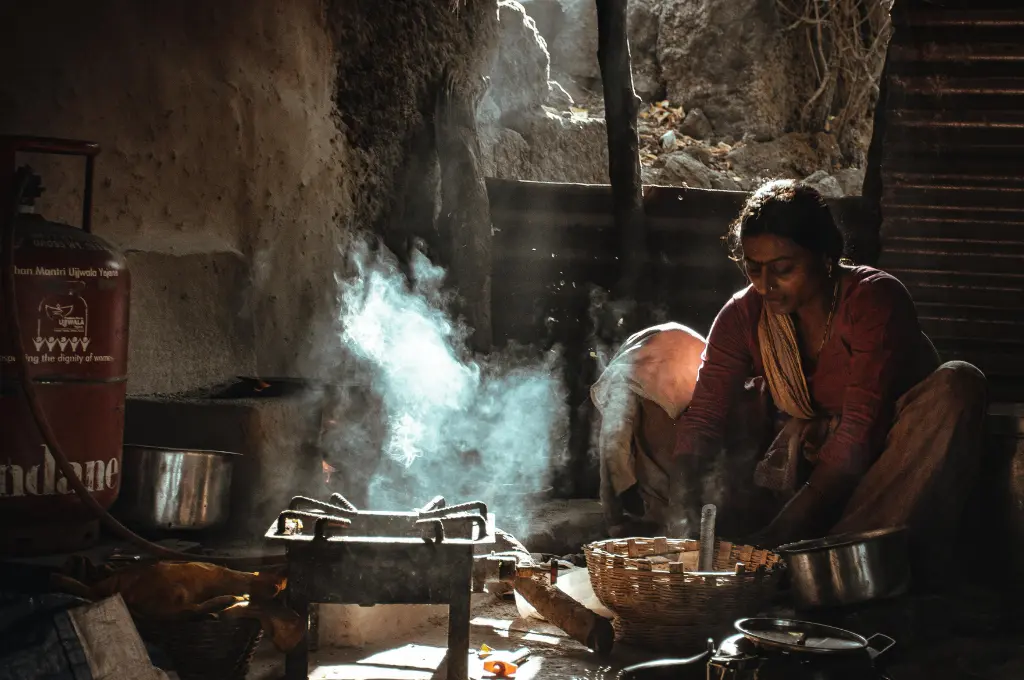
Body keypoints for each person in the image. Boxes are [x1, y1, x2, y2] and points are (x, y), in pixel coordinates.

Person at [666, 179, 987, 580]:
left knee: (959, 383)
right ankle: (809, 557)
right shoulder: (743, 315)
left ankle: (839, 557)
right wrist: (680, 519)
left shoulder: (873, 300)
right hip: (807, 470)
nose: (765, 285)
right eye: (753, 269)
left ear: (825, 256)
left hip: (886, 463)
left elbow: (859, 433)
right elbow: (703, 418)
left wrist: (776, 539)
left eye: (783, 269)